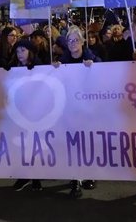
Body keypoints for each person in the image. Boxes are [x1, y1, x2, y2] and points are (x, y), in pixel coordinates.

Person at [54, 27, 100, 198]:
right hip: (69, 110)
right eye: (70, 41)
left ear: (82, 41)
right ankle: (75, 179)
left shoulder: (92, 58)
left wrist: (93, 67)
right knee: (72, 144)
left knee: (88, 142)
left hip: (87, 110)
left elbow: (104, 72)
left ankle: (90, 174)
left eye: (76, 40)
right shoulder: (62, 61)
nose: (73, 43)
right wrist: (54, 68)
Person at [7, 39, 46, 192]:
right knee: (21, 146)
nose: (20, 54)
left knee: (34, 146)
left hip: (36, 112)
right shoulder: (13, 68)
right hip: (19, 112)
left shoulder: (40, 66)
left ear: (30, 51)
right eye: (17, 51)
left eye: (23, 50)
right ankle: (24, 176)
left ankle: (36, 178)